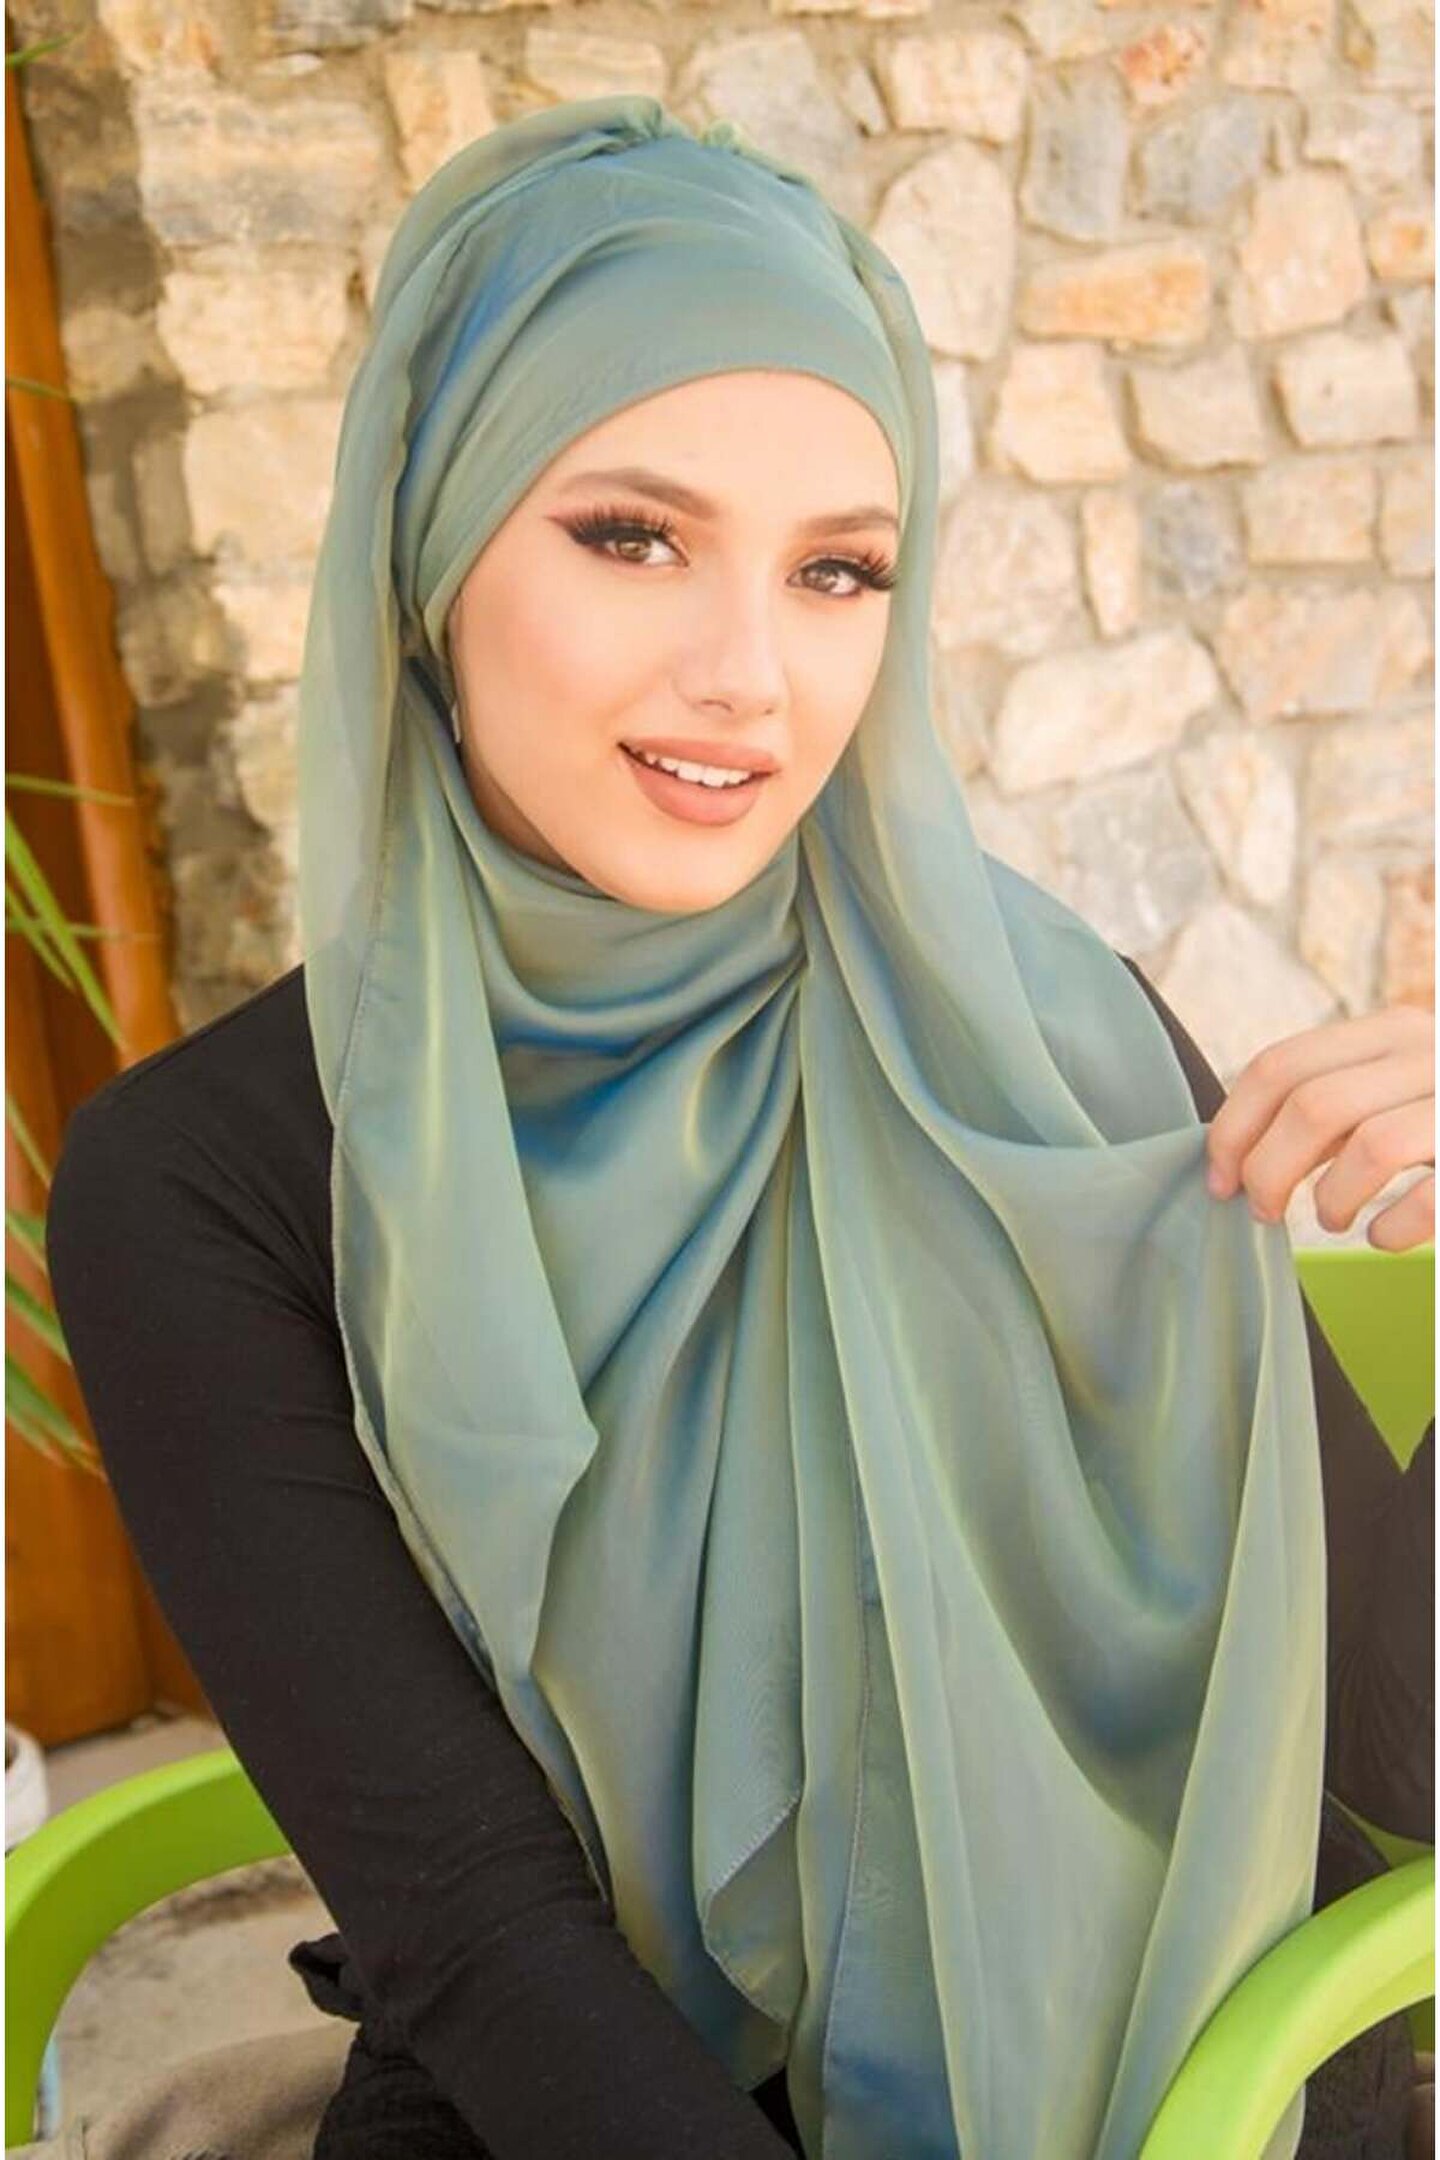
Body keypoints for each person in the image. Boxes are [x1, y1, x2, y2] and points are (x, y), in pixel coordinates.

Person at [30, 94, 1434, 2160]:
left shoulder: (1055, 1052)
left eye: (838, 569)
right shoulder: (207, 1183)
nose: (749, 676)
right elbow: (482, 1942)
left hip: (1200, 2092)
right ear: (431, 547)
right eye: (633, 536)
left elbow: (1398, 1753)